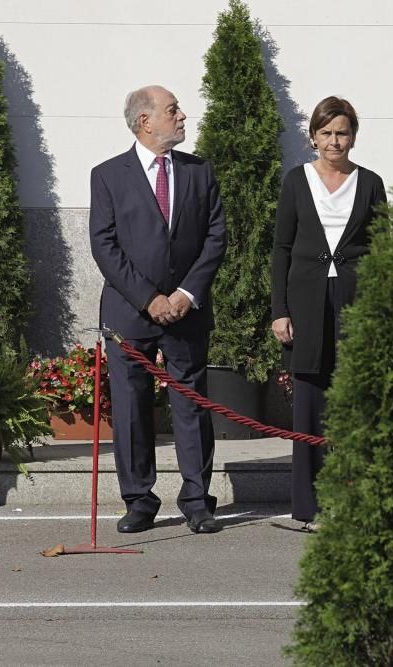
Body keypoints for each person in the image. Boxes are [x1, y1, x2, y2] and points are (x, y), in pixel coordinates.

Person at [89, 85, 226, 535]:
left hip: (187, 311)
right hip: (131, 313)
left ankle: (196, 499)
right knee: (130, 409)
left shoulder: (199, 171)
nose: (183, 115)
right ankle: (139, 499)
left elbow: (214, 237)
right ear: (145, 121)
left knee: (191, 404)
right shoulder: (108, 175)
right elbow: (104, 245)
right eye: (173, 110)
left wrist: (186, 294)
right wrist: (149, 298)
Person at [271, 96, 386, 531]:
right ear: (313, 137)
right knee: (310, 405)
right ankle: (312, 505)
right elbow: (282, 248)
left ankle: (359, 501)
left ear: (353, 136)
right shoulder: (296, 181)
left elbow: (380, 248)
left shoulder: (371, 183)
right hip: (306, 303)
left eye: (342, 132)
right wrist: (279, 310)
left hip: (357, 301)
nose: (334, 141)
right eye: (326, 133)